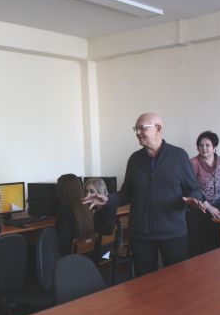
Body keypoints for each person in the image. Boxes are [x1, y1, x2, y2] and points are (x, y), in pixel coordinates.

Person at [83, 113, 204, 276]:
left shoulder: (179, 156)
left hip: (173, 232)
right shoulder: (134, 159)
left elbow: (194, 189)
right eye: (136, 128)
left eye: (142, 128)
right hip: (141, 235)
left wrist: (194, 199)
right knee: (144, 283)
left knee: (178, 280)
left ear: (158, 129)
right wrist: (107, 199)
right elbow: (126, 193)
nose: (138, 133)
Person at [187, 131, 220, 256]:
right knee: (198, 250)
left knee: (218, 248)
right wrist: (208, 207)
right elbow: (190, 188)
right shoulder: (191, 163)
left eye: (207, 145)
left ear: (214, 147)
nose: (204, 148)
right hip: (198, 213)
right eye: (201, 145)